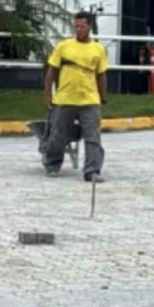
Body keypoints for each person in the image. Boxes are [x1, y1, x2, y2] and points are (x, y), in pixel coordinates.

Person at [42, 11, 109, 182]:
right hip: (65, 99)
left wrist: (103, 96)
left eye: (82, 26)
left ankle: (92, 170)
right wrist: (48, 94)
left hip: (89, 100)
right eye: (76, 26)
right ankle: (52, 164)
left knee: (93, 137)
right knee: (58, 134)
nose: (78, 29)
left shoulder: (98, 49)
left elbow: (101, 75)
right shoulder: (64, 46)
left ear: (90, 27)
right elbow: (52, 72)